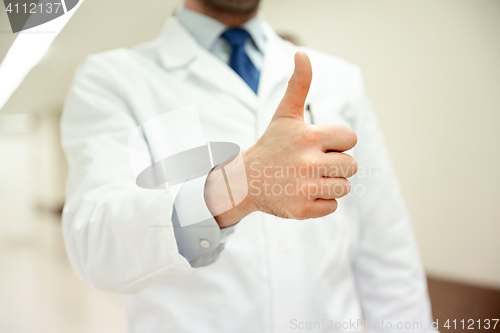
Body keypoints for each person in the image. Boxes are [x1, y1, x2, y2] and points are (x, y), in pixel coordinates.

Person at [61, 0, 434, 331]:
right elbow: (95, 244)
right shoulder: (111, 80)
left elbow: (387, 248)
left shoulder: (340, 79)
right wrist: (239, 185)